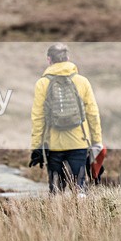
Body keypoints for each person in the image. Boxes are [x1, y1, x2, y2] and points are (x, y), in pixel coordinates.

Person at [29, 43, 103, 196]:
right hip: (79, 142)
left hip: (54, 145)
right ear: (68, 58)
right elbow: (93, 113)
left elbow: (38, 118)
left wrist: (36, 146)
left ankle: (58, 217)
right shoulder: (82, 81)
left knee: (56, 190)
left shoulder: (42, 84)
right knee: (80, 187)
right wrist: (97, 141)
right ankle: (83, 217)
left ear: (49, 60)